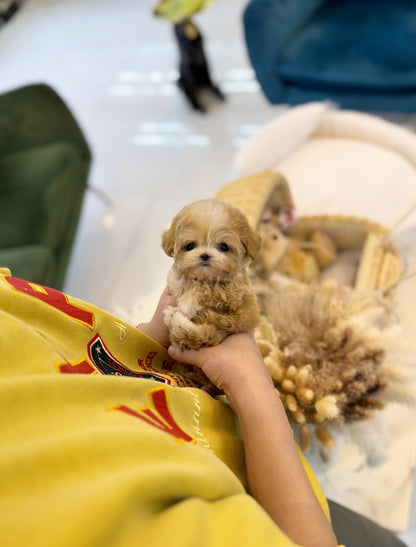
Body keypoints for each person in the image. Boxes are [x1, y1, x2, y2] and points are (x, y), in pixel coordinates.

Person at [0, 269, 408, 546]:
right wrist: (253, 388)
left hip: (257, 468)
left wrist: (146, 339)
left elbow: (72, 362)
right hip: (290, 513)